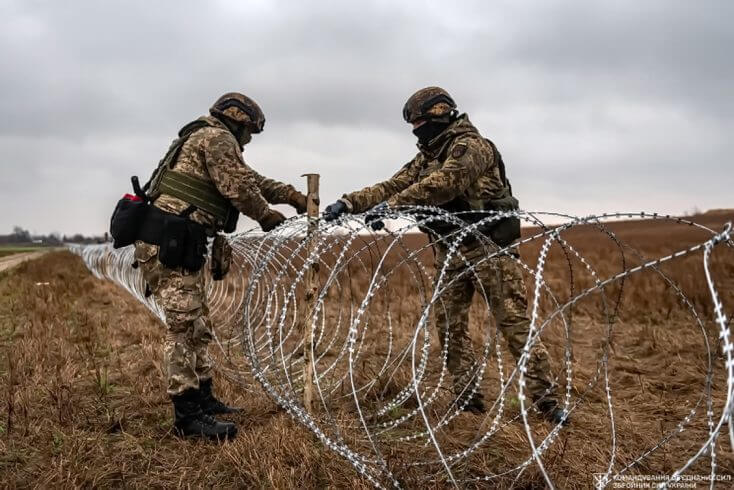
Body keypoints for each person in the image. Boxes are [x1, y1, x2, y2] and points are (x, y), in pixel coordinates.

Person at [323, 87, 567, 424]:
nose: (416, 131)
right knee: (450, 328)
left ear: (440, 114)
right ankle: (468, 400)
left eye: (420, 122)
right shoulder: (428, 155)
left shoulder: (471, 147)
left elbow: (446, 184)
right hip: (449, 251)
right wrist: (349, 203)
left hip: (488, 250)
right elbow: (393, 185)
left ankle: (547, 402)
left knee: (513, 325)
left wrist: (393, 206)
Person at [135, 92, 307, 440]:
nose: (248, 141)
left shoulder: (207, 136)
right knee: (183, 328)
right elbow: (239, 188)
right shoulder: (217, 138)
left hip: (181, 244)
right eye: (249, 133)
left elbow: (250, 179)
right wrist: (267, 215)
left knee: (198, 324)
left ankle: (204, 400)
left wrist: (290, 195)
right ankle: (188, 418)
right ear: (239, 122)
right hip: (169, 244)